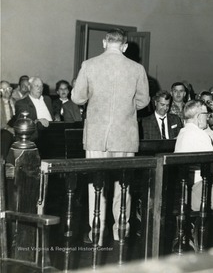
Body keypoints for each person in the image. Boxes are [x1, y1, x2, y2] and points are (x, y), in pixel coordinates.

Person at [71, 28, 150, 245]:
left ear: (105, 43)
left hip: (97, 135)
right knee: (123, 186)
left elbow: (78, 98)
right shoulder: (137, 68)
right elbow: (144, 101)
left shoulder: (89, 65)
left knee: (96, 185)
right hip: (125, 135)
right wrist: (125, 109)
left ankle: (96, 232)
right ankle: (121, 232)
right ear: (124, 46)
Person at [174, 100, 213, 211]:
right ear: (198, 116)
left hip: (187, 191)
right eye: (206, 114)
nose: (208, 118)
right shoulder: (200, 135)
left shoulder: (183, 132)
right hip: (200, 191)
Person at [9, 77, 53, 141]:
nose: (39, 88)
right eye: (36, 86)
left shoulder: (47, 99)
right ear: (29, 87)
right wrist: (37, 121)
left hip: (52, 131)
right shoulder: (22, 103)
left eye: (41, 86)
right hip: (36, 135)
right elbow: (21, 123)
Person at [1, 81, 16, 158]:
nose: (6, 91)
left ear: (11, 89)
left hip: (16, 128)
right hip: (3, 129)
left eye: (8, 88)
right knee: (5, 135)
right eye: (3, 89)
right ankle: (2, 163)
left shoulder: (16, 102)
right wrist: (8, 128)